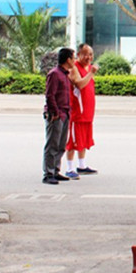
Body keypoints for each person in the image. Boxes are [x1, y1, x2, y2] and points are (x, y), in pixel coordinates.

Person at [64, 43, 99, 177]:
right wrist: (91, 73)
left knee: (83, 139)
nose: (88, 57)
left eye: (90, 54)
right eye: (85, 54)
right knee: (73, 141)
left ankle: (82, 165)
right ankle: (69, 168)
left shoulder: (89, 67)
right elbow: (79, 84)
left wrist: (90, 72)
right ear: (78, 55)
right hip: (77, 112)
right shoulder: (74, 68)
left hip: (87, 112)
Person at [43, 48, 75, 185]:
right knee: (52, 145)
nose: (74, 61)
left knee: (61, 145)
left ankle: (56, 170)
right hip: (57, 114)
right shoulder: (54, 74)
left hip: (65, 113)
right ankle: (48, 173)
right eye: (73, 58)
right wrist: (55, 113)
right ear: (68, 59)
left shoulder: (65, 75)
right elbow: (50, 95)